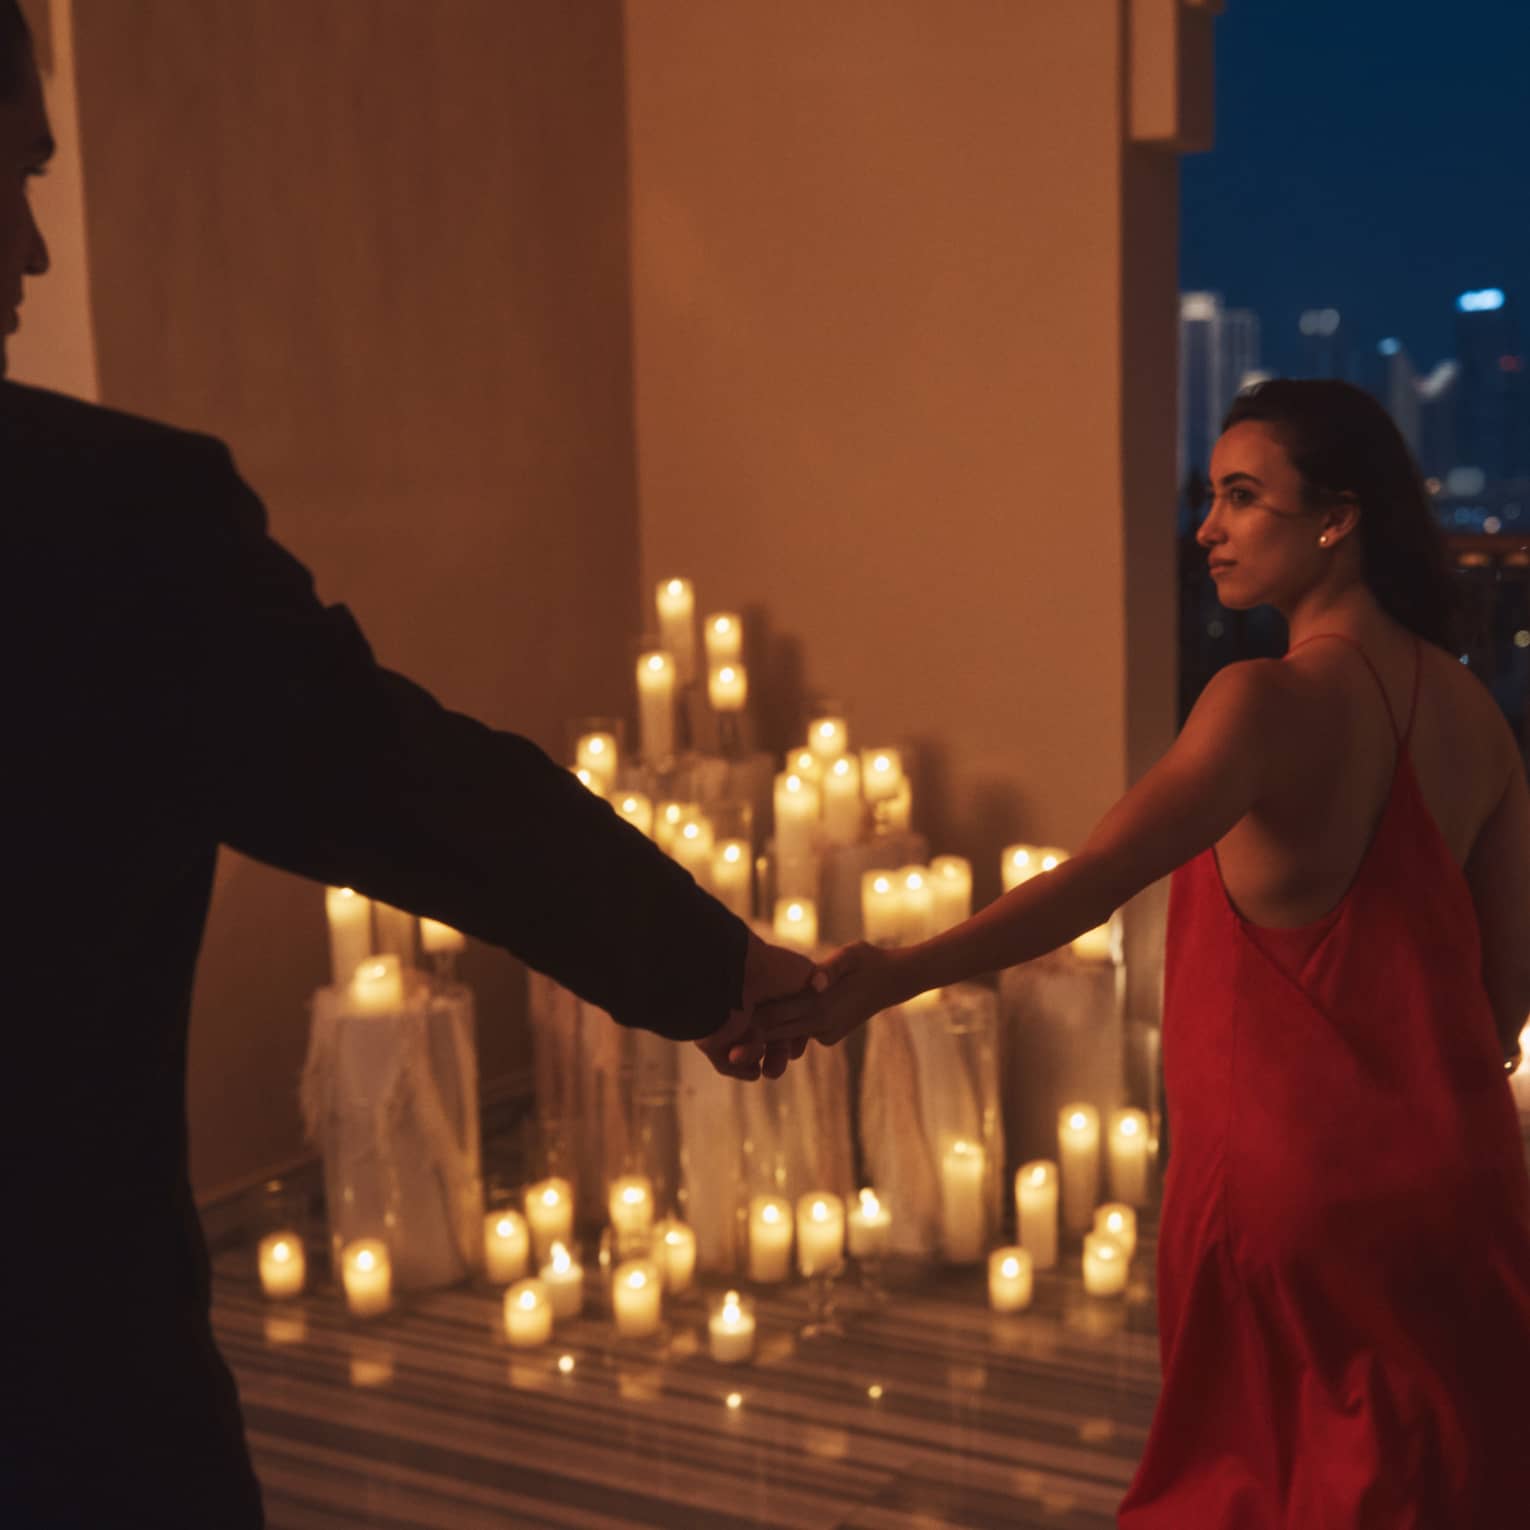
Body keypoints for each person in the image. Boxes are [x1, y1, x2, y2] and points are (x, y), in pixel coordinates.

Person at [1, 8, 811, 1525]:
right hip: (59, 1381)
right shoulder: (107, 520)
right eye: (20, 174)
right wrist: (713, 966)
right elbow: (398, 785)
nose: (33, 249)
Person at [769, 378, 1530, 1524]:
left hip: (1290, 1200)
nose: (1207, 528)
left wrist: (897, 975)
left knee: (1261, 1490)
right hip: (1457, 1189)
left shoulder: (1263, 702)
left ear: (1338, 517)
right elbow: (1503, 998)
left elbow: (1094, 881)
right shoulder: (1474, 717)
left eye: (1242, 496)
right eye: (1208, 498)